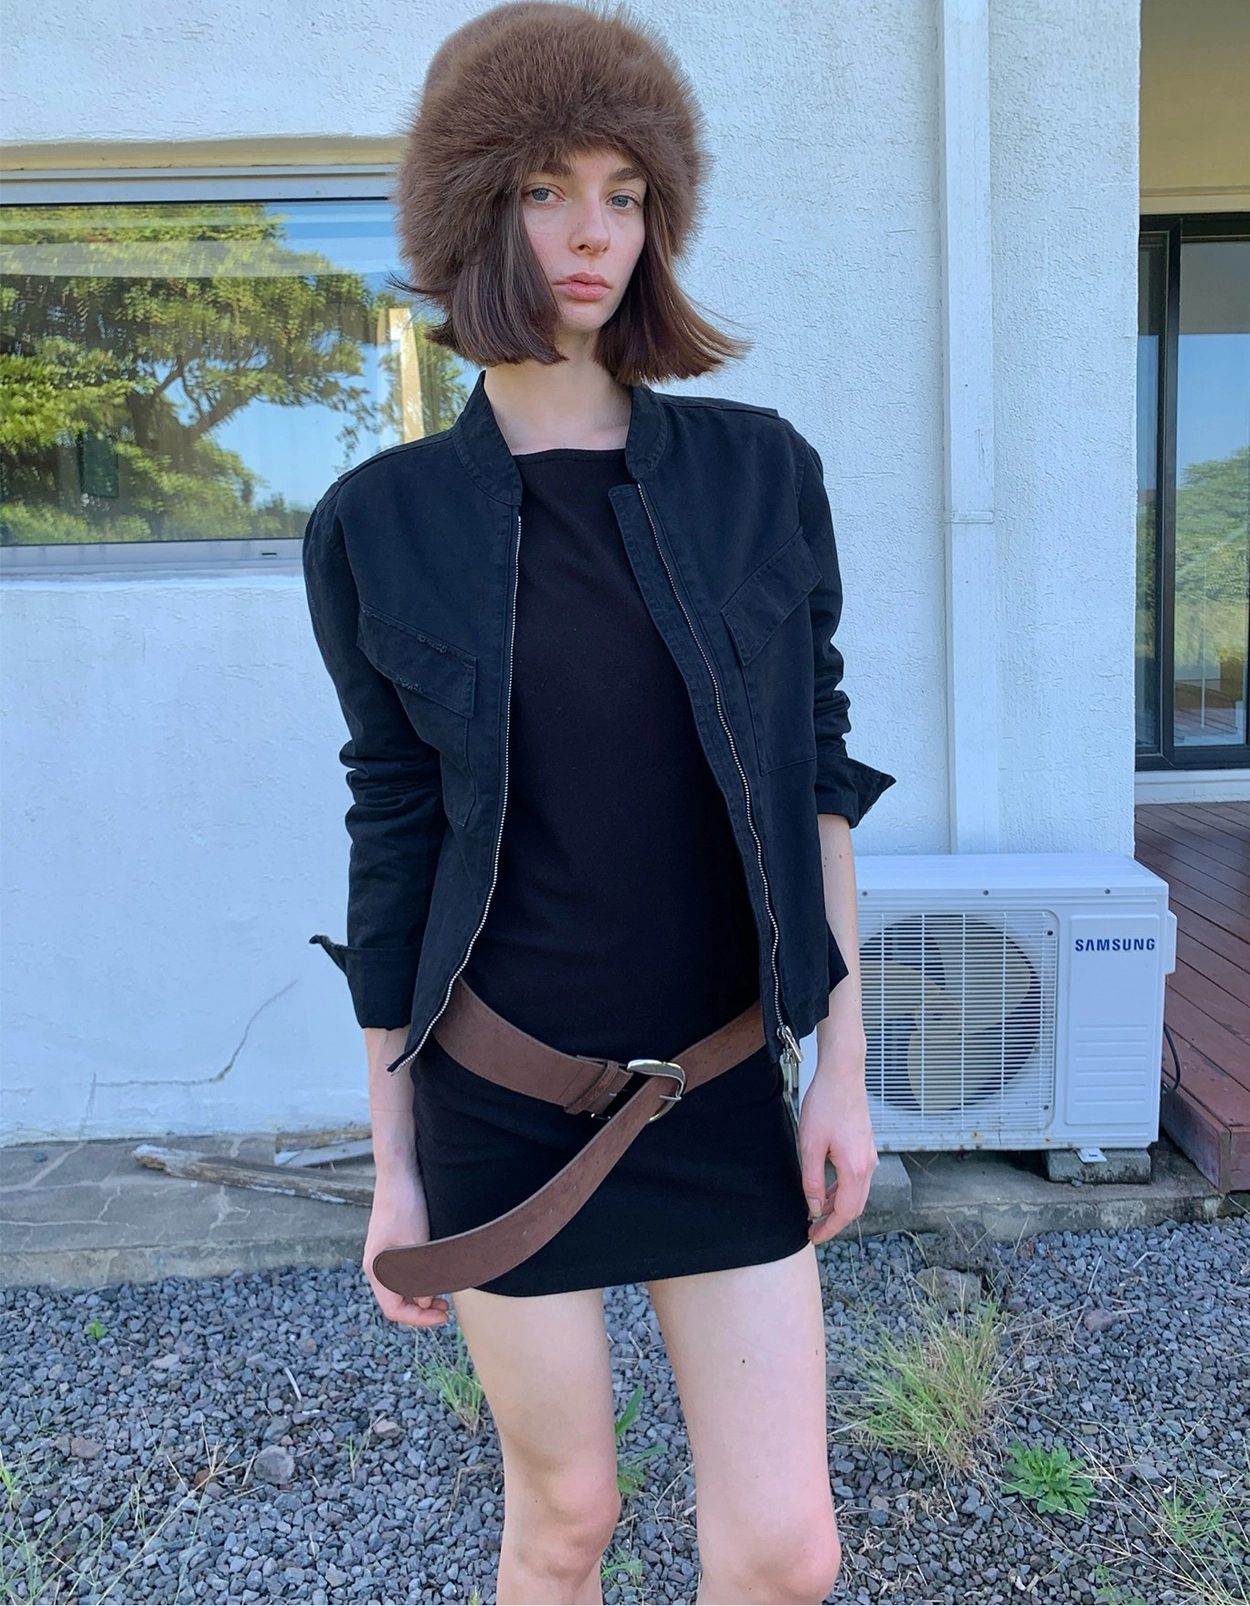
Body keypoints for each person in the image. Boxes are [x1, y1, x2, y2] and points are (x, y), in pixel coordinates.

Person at [303, 4, 897, 1601]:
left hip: (718, 1082)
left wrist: (839, 1069)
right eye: (547, 189)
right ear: (472, 209)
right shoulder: (376, 523)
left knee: (785, 1549)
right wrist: (394, 1162)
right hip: (499, 1099)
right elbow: (393, 834)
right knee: (564, 1517)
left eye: (625, 194)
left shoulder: (758, 474)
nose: (591, 234)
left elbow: (816, 770)